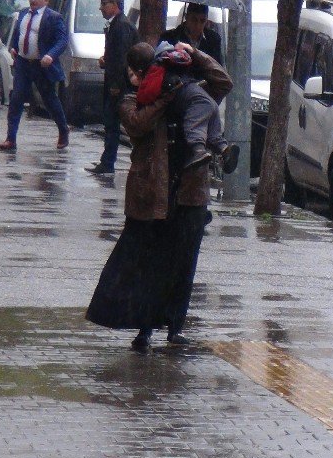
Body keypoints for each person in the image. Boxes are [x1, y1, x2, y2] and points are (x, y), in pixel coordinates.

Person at [85, 42, 232, 350]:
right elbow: (138, 124)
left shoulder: (190, 94)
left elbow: (222, 82)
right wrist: (167, 94)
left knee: (184, 262)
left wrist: (194, 54)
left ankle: (176, 327)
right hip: (153, 195)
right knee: (150, 264)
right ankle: (144, 330)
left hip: (190, 191)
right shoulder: (132, 100)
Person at [136, 42, 239, 173]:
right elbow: (137, 122)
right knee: (213, 134)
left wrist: (195, 53)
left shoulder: (161, 80)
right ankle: (224, 149)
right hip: (207, 104)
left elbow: (225, 82)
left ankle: (198, 151)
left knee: (194, 127)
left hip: (184, 172)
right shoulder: (189, 83)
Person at [0, 0, 70, 151]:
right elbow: (19, 34)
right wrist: (14, 48)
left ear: (45, 0)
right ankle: (11, 138)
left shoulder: (53, 17)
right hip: (23, 63)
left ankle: (63, 129)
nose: (33, 1)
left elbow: (62, 40)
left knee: (49, 99)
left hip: (41, 65)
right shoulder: (23, 14)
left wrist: (51, 55)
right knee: (16, 99)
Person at [86, 0, 139, 175]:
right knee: (110, 123)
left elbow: (122, 58)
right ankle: (107, 161)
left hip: (119, 85)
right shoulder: (116, 24)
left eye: (104, 4)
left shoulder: (121, 25)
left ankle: (108, 162)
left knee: (113, 123)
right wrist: (105, 61)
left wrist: (116, 85)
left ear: (115, 5)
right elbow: (115, 56)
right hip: (115, 82)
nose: (100, 8)